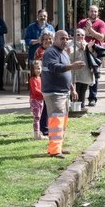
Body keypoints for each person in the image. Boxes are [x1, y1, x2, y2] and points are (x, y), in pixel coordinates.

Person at [42, 29, 85, 158]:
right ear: (55, 39)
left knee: (62, 120)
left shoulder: (63, 53)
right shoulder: (51, 52)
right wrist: (72, 66)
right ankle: (54, 150)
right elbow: (54, 67)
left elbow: (66, 73)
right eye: (62, 38)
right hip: (54, 92)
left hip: (63, 92)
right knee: (56, 121)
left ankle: (58, 146)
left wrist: (72, 88)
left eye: (67, 38)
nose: (65, 41)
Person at [77, 4, 105, 107]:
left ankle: (92, 98)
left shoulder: (101, 23)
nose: (93, 13)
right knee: (81, 74)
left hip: (95, 52)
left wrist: (90, 30)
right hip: (82, 51)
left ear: (97, 13)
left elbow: (101, 37)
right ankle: (80, 99)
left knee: (94, 74)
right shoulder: (82, 22)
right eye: (91, 11)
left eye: (95, 11)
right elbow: (78, 35)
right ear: (88, 12)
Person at [28, 60, 44, 139]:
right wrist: (44, 94)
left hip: (41, 100)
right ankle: (36, 134)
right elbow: (35, 91)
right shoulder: (32, 79)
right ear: (32, 70)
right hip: (35, 100)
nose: (38, 70)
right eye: (36, 69)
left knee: (39, 117)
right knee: (36, 117)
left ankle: (38, 131)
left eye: (39, 68)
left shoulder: (40, 78)